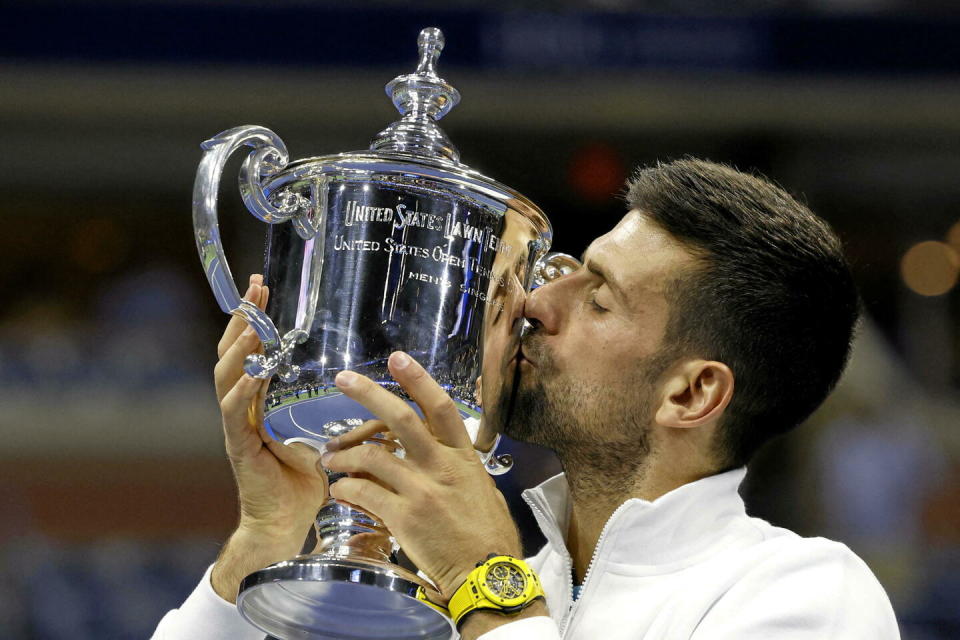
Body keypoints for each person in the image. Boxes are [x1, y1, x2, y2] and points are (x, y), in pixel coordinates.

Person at [153, 158, 900, 639]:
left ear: (693, 392)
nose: (537, 305)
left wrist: (486, 578)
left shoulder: (808, 598)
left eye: (599, 299)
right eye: (567, 267)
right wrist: (265, 538)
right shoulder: (461, 593)